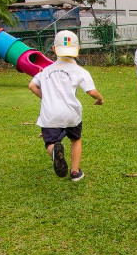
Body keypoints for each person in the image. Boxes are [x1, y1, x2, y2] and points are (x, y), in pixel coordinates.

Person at [29, 30, 103, 181]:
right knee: (75, 139)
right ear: (78, 49)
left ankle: (54, 152)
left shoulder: (46, 71)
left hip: (50, 115)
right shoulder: (80, 71)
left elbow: (32, 86)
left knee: (50, 142)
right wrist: (100, 99)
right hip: (71, 114)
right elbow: (91, 91)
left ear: (55, 49)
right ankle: (75, 172)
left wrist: (47, 98)